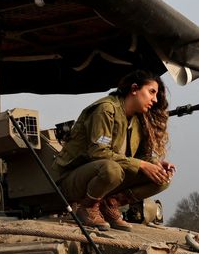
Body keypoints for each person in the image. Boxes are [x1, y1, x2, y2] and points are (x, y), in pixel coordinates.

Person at [50, 70, 174, 231]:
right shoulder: (106, 109)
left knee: (162, 179)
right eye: (151, 92)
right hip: (74, 180)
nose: (155, 99)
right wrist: (142, 165)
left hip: (107, 179)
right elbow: (98, 152)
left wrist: (154, 163)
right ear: (134, 89)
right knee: (111, 169)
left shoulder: (136, 120)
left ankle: (110, 204)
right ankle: (88, 207)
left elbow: (140, 157)